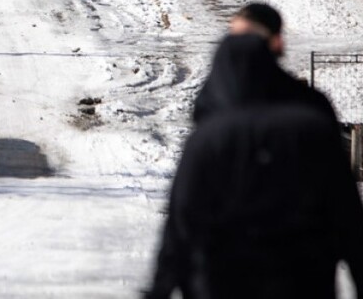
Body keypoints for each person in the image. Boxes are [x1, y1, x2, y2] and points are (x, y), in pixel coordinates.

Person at [146, 34, 363, 299]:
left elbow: (182, 222)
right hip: (302, 280)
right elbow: (347, 215)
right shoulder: (311, 129)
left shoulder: (207, 139)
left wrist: (160, 288)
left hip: (221, 281)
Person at [193, 3, 337, 124]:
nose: (239, 44)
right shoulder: (310, 104)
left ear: (277, 42)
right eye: (235, 36)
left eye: (249, 36)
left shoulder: (207, 103)